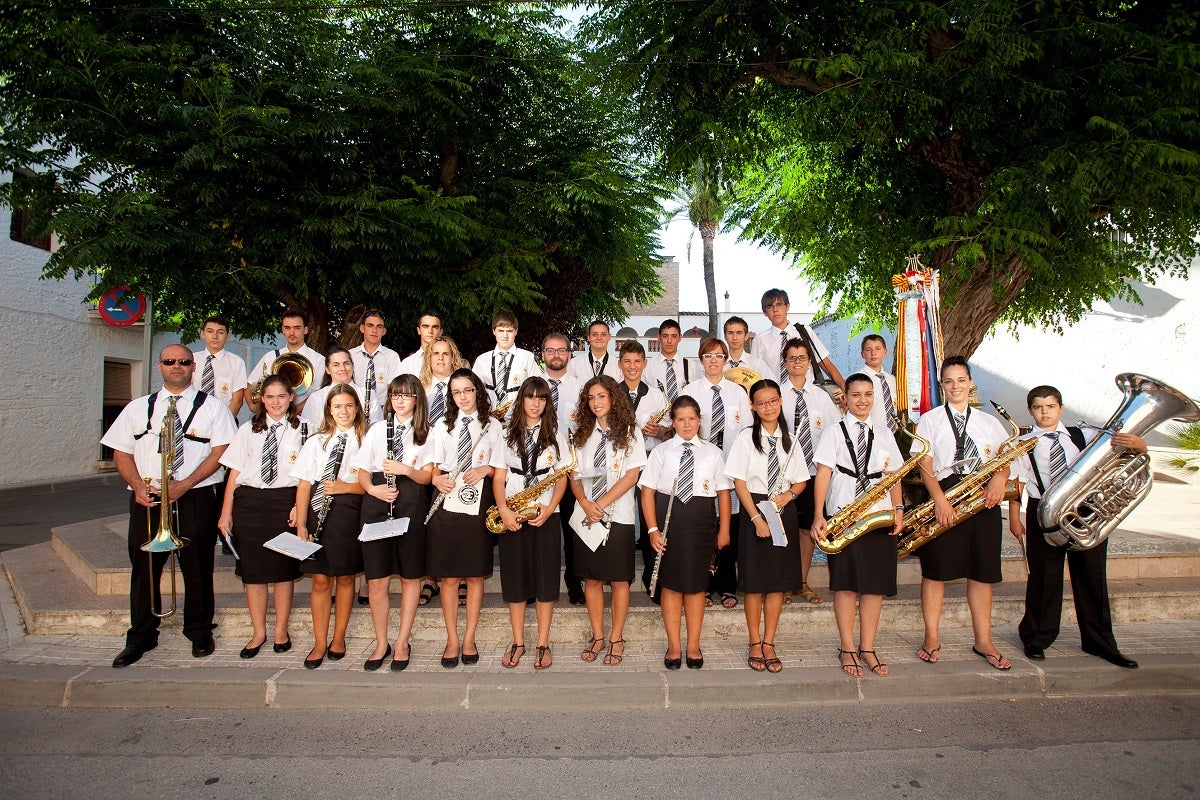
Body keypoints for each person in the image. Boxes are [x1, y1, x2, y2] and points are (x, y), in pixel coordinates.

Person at [103, 344, 237, 667]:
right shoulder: (138, 407)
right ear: (160, 367)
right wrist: (136, 485)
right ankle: (141, 636)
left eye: (184, 362)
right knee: (144, 568)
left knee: (198, 566)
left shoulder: (214, 408)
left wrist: (185, 484)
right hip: (147, 496)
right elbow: (120, 452)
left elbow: (221, 453)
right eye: (170, 361)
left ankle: (199, 630)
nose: (177, 366)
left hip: (196, 495)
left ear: (194, 367)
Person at [1010, 385, 1143, 669]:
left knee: (1092, 576)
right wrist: (1014, 517)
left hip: (1086, 510)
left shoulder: (1085, 435)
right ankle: (1036, 637)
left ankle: (1100, 642)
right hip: (1042, 510)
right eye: (1038, 407)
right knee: (1044, 577)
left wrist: (1139, 445)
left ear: (1061, 408)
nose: (1044, 412)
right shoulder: (1026, 442)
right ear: (1031, 410)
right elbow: (1018, 482)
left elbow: (1123, 452)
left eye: (1050, 406)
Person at [911, 356, 1012, 670]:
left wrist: (999, 479)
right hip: (945, 495)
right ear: (942, 386)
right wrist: (939, 500)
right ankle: (931, 637)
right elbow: (924, 463)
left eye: (961, 380)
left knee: (981, 573)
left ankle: (983, 639)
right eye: (949, 381)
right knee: (936, 571)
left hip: (982, 500)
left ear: (970, 384)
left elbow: (1005, 458)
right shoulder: (929, 419)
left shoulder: (990, 423)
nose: (955, 386)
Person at [810, 373, 905, 677]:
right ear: (845, 398)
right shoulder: (833, 432)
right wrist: (818, 515)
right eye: (856, 395)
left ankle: (868, 647)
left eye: (867, 394)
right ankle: (847, 647)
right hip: (844, 513)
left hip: (878, 515)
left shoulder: (885, 433)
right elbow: (823, 475)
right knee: (846, 584)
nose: (862, 401)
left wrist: (898, 509)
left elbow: (893, 476)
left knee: (874, 585)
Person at [640, 396, 732, 670]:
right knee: (671, 586)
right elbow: (647, 492)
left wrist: (724, 529)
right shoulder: (661, 452)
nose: (686, 424)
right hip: (670, 524)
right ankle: (674, 645)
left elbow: (724, 494)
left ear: (700, 420)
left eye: (691, 418)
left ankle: (693, 644)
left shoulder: (712, 452)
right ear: (673, 422)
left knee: (695, 588)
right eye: (680, 419)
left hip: (701, 523)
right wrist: (653, 530)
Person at [724, 379, 809, 673]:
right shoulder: (746, 438)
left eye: (772, 401)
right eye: (761, 403)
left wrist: (788, 495)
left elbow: (801, 479)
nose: (767, 407)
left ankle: (770, 641)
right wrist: (756, 518)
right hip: (755, 509)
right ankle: (754, 641)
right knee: (755, 582)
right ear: (753, 407)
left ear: (780, 401)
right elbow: (739, 481)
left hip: (782, 508)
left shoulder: (792, 438)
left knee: (777, 581)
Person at [216, 375, 303, 658]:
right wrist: (226, 513)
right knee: (253, 574)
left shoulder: (304, 430)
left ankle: (280, 630)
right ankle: (258, 632)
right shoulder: (246, 431)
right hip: (250, 504)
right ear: (261, 400)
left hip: (284, 502)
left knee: (282, 571)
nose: (275, 402)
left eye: (281, 396)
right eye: (269, 397)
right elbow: (235, 473)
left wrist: (299, 507)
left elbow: (308, 476)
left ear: (291, 397)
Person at [352, 374, 433, 671]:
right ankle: (381, 641)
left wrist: (405, 469)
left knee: (411, 576)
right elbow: (361, 470)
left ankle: (402, 642)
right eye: (396, 395)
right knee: (377, 579)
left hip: (410, 497)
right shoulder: (376, 430)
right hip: (377, 498)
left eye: (407, 395)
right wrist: (372, 489)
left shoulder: (426, 432)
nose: (400, 400)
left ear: (416, 399)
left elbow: (427, 477)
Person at [490, 377, 572, 670]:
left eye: (542, 398)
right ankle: (518, 642)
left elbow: (561, 476)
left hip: (544, 515)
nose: (536, 403)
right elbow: (499, 478)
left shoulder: (555, 434)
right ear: (522, 399)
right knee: (515, 580)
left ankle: (542, 642)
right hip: (513, 512)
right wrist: (505, 510)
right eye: (531, 397)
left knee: (546, 580)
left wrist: (550, 509)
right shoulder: (505, 435)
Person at [569, 376, 646, 666]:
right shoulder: (581, 434)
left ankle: (616, 638)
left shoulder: (630, 432)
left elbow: (631, 476)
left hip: (618, 517)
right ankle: (598, 636)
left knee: (618, 579)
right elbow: (573, 475)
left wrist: (599, 503)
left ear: (613, 398)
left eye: (601, 396)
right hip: (587, 516)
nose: (596, 402)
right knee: (591, 578)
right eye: (591, 398)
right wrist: (585, 503)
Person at [426, 368, 500, 668]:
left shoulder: (493, 426)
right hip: (447, 502)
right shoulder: (441, 426)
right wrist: (435, 480)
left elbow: (501, 468)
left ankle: (469, 637)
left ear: (477, 391)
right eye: (456, 392)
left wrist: (487, 469)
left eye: (468, 390)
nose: (463, 397)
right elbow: (431, 468)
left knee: (473, 574)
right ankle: (452, 639)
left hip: (479, 502)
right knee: (449, 576)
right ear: (451, 396)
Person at [291, 384, 367, 669]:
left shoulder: (365, 439)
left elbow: (370, 485)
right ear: (329, 410)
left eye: (349, 406)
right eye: (337, 407)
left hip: (348, 513)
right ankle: (319, 641)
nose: (344, 412)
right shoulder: (316, 442)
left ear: (357, 408)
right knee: (321, 579)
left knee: (346, 578)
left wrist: (345, 486)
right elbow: (303, 484)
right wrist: (300, 524)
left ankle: (339, 637)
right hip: (316, 512)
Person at [682, 337, 751, 608]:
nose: (713, 360)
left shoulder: (737, 393)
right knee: (702, 528)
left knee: (728, 526)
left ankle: (727, 586)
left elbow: (745, 433)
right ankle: (703, 586)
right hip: (699, 469)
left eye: (719, 356)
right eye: (708, 355)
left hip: (730, 470)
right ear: (701, 360)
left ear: (725, 360)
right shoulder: (691, 391)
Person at [780, 337, 840, 605]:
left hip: (814, 474)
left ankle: (802, 582)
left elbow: (833, 435)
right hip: (783, 475)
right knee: (783, 530)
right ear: (785, 362)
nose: (797, 363)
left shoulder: (821, 398)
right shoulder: (776, 396)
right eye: (792, 358)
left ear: (809, 362)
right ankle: (782, 584)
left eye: (802, 358)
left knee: (807, 530)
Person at [617, 340, 668, 596]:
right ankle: (621, 577)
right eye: (627, 361)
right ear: (620, 364)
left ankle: (652, 579)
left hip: (648, 461)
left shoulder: (657, 395)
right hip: (619, 464)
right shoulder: (611, 392)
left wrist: (659, 430)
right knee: (623, 520)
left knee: (651, 519)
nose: (632, 366)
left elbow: (669, 431)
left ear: (645, 364)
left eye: (637, 361)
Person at [540, 332, 585, 605]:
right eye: (550, 350)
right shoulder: (531, 387)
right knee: (540, 527)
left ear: (569, 354)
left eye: (561, 350)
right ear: (542, 354)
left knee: (572, 528)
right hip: (537, 471)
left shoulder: (581, 388)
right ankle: (540, 581)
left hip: (570, 469)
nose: (556, 355)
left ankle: (574, 580)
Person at [751, 288, 844, 395]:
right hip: (776, 398)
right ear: (765, 312)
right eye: (770, 306)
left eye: (779, 304)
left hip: (808, 394)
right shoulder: (760, 340)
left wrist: (844, 387)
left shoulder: (804, 332)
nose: (775, 309)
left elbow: (825, 363)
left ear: (787, 306)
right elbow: (755, 375)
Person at [247, 310, 326, 414]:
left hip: (304, 418)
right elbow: (250, 385)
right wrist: (254, 407)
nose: (292, 332)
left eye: (297, 328)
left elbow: (318, 394)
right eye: (287, 328)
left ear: (305, 330)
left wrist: (292, 412)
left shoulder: (318, 360)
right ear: (282, 330)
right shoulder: (270, 357)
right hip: (271, 418)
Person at [472, 310, 539, 410]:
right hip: (488, 417)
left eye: (509, 331)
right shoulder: (481, 360)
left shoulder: (527, 357)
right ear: (494, 331)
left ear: (516, 331)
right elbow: (473, 390)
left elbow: (537, 388)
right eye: (501, 331)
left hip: (518, 417)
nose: (505, 336)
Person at [301, 348, 375, 429]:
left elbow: (375, 427)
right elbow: (309, 429)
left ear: (352, 366)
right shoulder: (316, 397)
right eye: (336, 365)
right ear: (327, 369)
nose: (343, 368)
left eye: (346, 363)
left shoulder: (369, 394)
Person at [349, 309, 403, 419]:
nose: (374, 330)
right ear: (362, 328)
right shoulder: (350, 355)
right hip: (355, 411)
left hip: (382, 411)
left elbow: (394, 389)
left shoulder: (392, 357)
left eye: (379, 327)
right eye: (370, 325)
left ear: (384, 331)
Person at [191, 315, 248, 418]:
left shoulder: (236, 362)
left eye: (220, 332)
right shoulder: (191, 360)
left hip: (224, 420)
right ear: (202, 333)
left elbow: (237, 401)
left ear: (227, 336)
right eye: (210, 331)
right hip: (193, 421)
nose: (214, 336)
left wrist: (223, 424)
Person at [857, 334, 903, 443]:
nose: (873, 353)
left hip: (893, 437)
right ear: (862, 354)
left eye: (878, 349)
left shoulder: (892, 380)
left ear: (885, 352)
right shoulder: (857, 379)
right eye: (868, 350)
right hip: (869, 437)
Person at [419, 335, 468, 428]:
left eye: (445, 353)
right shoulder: (419, 388)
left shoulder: (465, 389)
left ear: (453, 358)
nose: (440, 357)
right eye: (436, 353)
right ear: (429, 358)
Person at [645, 319, 691, 410]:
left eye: (674, 336)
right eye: (665, 336)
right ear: (659, 337)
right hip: (656, 421)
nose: (669, 341)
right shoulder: (648, 366)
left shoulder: (691, 366)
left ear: (680, 337)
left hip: (682, 422)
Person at [398, 311, 444, 376]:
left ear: (441, 332)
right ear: (419, 330)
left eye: (435, 327)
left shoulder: (451, 362)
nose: (430, 331)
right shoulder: (408, 363)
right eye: (426, 326)